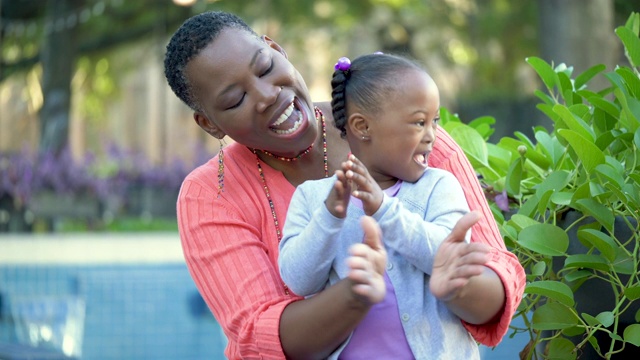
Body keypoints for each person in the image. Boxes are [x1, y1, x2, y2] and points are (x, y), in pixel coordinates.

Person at [163, 10, 525, 360]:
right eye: (236, 100)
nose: (266, 96)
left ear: (277, 50)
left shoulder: (408, 134)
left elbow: (497, 280)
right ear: (210, 124)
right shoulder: (210, 195)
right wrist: (353, 295)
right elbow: (259, 336)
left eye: (265, 68)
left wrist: (458, 285)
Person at [279, 53, 485, 359]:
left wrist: (385, 210)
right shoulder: (313, 198)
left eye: (435, 121)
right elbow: (297, 279)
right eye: (419, 122)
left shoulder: (439, 186)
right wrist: (329, 218)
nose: (432, 136)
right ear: (362, 126)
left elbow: (447, 255)